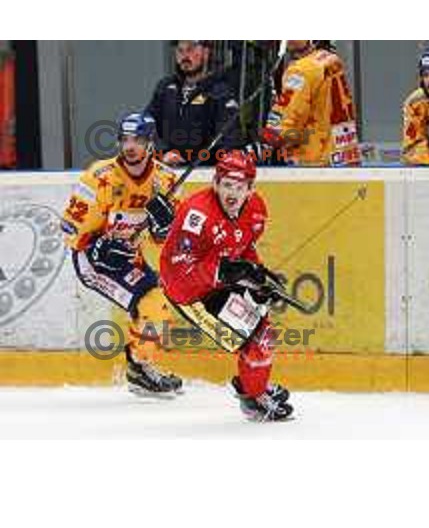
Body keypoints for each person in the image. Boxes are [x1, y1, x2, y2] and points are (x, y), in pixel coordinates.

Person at [159, 150, 293, 421]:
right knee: (253, 341)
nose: (232, 194)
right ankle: (254, 398)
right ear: (215, 183)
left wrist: (258, 276)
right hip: (189, 294)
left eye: (240, 187)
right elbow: (177, 274)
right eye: (227, 185)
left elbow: (243, 248)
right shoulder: (195, 215)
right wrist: (226, 271)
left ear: (251, 189)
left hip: (219, 282)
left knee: (264, 334)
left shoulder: (256, 210)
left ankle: (254, 387)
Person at [62, 112, 182, 396]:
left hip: (129, 258)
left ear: (151, 143)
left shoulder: (165, 181)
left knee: (158, 309)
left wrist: (165, 228)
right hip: (93, 260)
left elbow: (162, 240)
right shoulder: (98, 177)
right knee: (153, 307)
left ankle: (139, 365)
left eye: (138, 140)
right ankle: (139, 368)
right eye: (125, 139)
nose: (130, 146)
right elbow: (69, 227)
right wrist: (97, 245)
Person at [264, 40, 361, 166]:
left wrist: (267, 139)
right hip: (345, 155)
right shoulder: (331, 59)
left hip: (314, 162)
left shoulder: (300, 71)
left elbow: (285, 126)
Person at [146, 40, 240, 166]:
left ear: (206, 52)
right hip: (166, 172)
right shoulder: (165, 87)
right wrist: (163, 152)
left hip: (203, 174)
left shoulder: (220, 91)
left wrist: (200, 163)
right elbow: (146, 123)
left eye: (190, 49)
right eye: (180, 50)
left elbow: (228, 141)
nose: (185, 56)